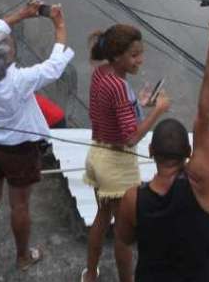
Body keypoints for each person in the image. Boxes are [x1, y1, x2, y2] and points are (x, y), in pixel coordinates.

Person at [116, 24, 209, 282]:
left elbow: (123, 241)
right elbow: (206, 118)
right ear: (189, 152)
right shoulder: (200, 183)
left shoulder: (133, 199)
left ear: (150, 152)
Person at [0, 0, 73, 271]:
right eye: (10, 45)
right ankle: (23, 256)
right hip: (17, 150)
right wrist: (59, 24)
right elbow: (55, 64)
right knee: (20, 205)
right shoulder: (19, 81)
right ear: (6, 58)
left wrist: (22, 13)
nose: (11, 43)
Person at [82, 25, 170, 282]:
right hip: (116, 165)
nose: (139, 59)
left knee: (101, 216)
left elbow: (111, 112)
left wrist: (138, 105)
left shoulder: (102, 74)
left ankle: (90, 274)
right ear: (117, 55)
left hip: (96, 154)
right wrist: (158, 110)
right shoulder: (119, 87)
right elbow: (130, 137)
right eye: (134, 55)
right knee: (124, 233)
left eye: (140, 53)